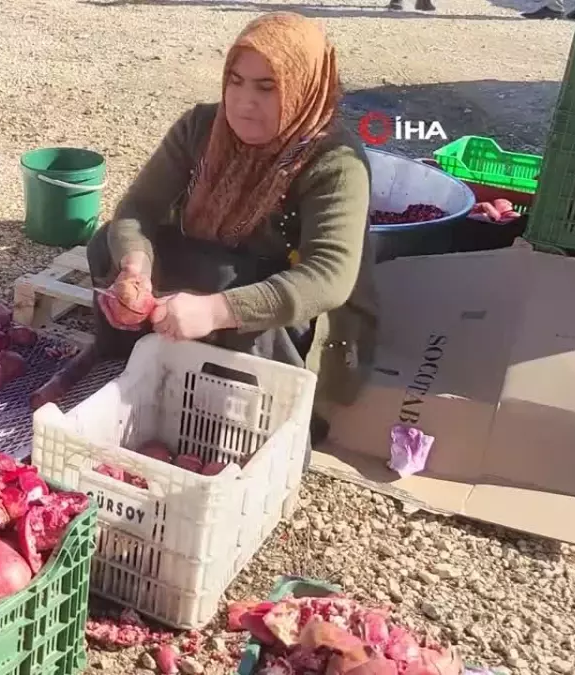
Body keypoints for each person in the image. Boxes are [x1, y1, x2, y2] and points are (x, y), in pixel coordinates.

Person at [75, 12, 377, 443]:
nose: (242, 102)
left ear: (305, 88)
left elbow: (328, 278)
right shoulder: (202, 127)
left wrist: (213, 311)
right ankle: (140, 361)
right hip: (212, 265)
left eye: (267, 87)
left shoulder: (335, 161)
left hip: (284, 306)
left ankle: (241, 407)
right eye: (235, 81)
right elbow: (137, 208)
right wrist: (135, 270)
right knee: (108, 247)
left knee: (217, 280)